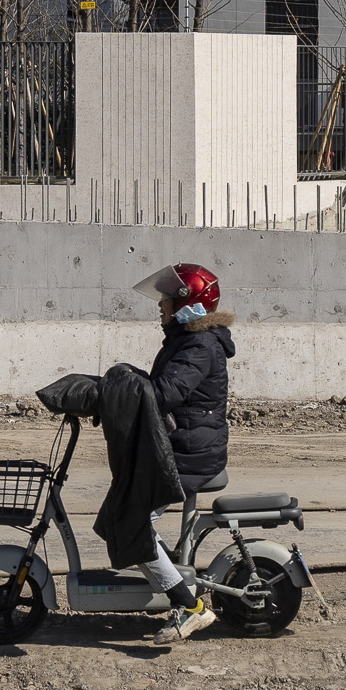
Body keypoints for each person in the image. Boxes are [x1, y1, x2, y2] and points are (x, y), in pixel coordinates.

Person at [134, 262, 233, 641]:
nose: (160, 306)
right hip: (181, 446)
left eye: (166, 300)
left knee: (132, 523)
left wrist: (122, 389)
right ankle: (169, 571)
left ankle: (188, 606)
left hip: (190, 453)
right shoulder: (186, 340)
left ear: (186, 302)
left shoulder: (198, 345)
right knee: (126, 511)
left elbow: (164, 395)